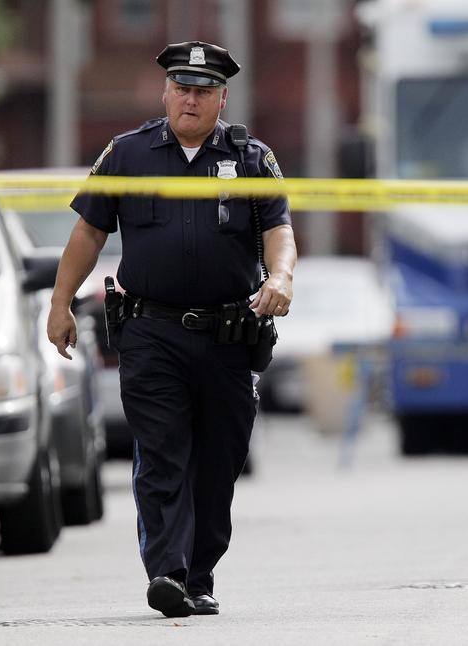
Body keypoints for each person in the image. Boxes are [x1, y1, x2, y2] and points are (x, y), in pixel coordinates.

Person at [46, 40, 297, 618]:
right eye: (181, 88)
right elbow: (88, 234)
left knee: (218, 460)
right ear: (165, 93)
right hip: (151, 332)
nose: (191, 98)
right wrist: (60, 303)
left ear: (222, 98)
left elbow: (278, 230)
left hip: (228, 335)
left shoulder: (252, 158)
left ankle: (200, 571)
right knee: (162, 454)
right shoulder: (127, 155)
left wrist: (280, 278)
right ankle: (167, 571)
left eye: (203, 90)